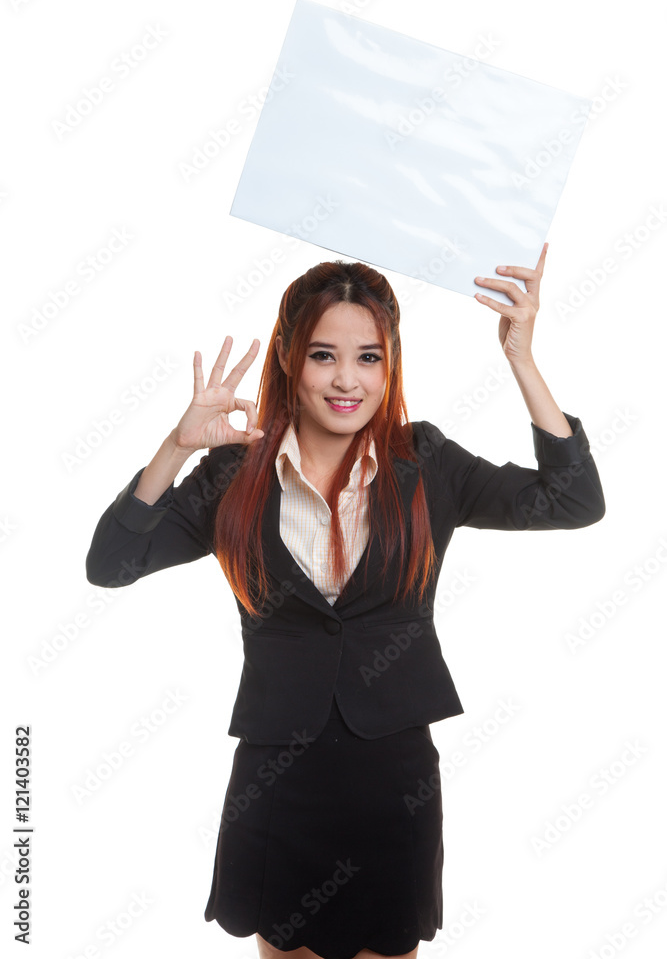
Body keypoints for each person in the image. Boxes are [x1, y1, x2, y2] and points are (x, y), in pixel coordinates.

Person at [85, 245, 605, 959]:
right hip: (279, 773)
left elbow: (572, 501)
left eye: (368, 357)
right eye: (323, 355)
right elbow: (111, 564)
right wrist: (176, 447)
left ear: (389, 366)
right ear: (289, 360)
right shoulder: (234, 472)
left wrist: (521, 359)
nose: (346, 379)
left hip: (391, 775)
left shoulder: (424, 462)